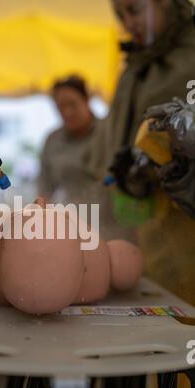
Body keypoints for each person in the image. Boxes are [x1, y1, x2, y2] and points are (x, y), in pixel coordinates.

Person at [93, 0, 195, 306]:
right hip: (138, 218)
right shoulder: (137, 66)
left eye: (134, 10)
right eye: (120, 15)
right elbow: (116, 134)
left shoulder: (189, 58)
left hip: (184, 224)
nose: (128, 24)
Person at [38, 75, 128, 239]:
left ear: (86, 100)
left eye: (72, 104)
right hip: (73, 226)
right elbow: (45, 187)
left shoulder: (112, 132)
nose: (67, 112)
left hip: (115, 225)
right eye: (60, 107)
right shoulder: (52, 141)